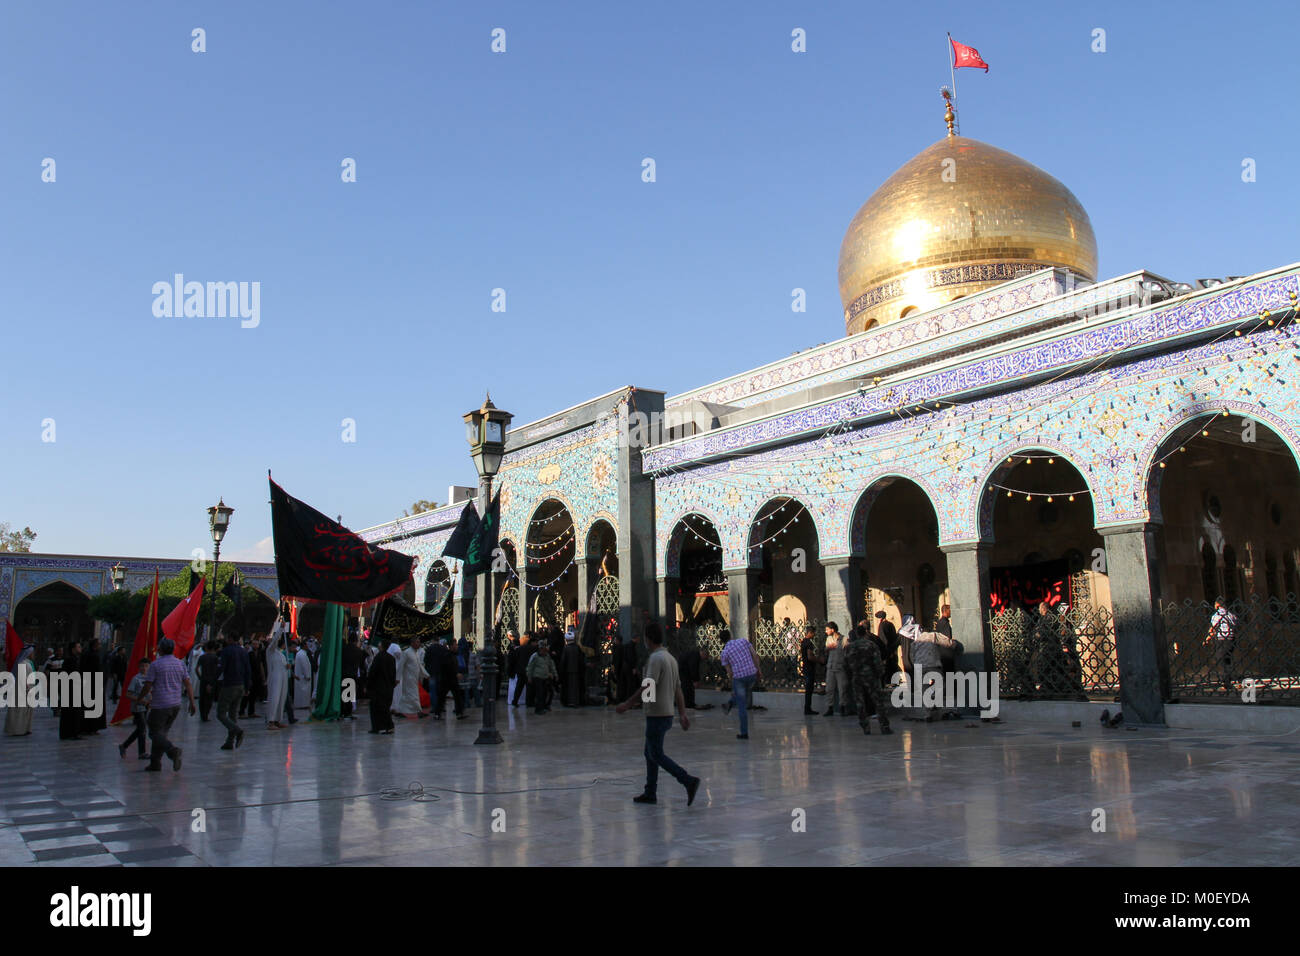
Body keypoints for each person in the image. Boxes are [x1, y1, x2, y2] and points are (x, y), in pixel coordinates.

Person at [615, 623, 700, 806]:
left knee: (656, 754)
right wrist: (682, 713)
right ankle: (650, 792)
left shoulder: (655, 659)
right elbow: (678, 689)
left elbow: (648, 685)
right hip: (666, 712)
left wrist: (629, 703)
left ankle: (687, 780)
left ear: (648, 639)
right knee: (650, 753)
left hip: (657, 714)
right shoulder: (670, 658)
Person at [140, 638, 196, 771]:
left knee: (154, 733)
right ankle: (155, 763)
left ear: (161, 649)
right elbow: (188, 683)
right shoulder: (179, 664)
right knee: (161, 733)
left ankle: (172, 751)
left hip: (160, 705)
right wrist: (192, 702)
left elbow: (148, 685)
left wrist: (140, 697)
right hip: (175, 704)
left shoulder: (156, 665)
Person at [900, 615, 958, 721]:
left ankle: (928, 713)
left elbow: (912, 656)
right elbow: (948, 642)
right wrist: (954, 644)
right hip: (933, 664)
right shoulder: (933, 636)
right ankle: (934, 698)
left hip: (920, 667)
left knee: (924, 688)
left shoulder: (915, 642)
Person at [844, 623, 892, 735]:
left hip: (857, 677)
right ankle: (884, 726)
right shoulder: (870, 645)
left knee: (860, 703)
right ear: (865, 633)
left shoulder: (850, 647)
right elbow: (877, 661)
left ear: (856, 634)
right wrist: (880, 674)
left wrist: (850, 676)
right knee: (878, 701)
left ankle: (865, 727)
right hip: (871, 677)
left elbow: (845, 664)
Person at [719, 628, 759, 739]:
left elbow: (730, 673)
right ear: (731, 636)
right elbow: (755, 655)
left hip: (739, 678)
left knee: (742, 706)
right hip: (751, 674)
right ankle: (730, 703)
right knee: (742, 695)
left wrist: (733, 688)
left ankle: (744, 733)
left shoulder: (724, 653)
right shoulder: (743, 641)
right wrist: (758, 669)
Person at [216, 634, 250, 750]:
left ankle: (237, 731)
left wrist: (212, 681)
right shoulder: (244, 652)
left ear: (230, 639)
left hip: (229, 685)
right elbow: (247, 669)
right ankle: (229, 741)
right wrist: (247, 686)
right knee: (233, 714)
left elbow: (221, 667)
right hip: (240, 685)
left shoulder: (226, 651)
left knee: (221, 714)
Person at [118, 659, 150, 758]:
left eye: (146, 666)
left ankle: (124, 745)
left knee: (140, 729)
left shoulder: (149, 678)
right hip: (137, 707)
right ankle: (142, 752)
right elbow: (128, 694)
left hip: (145, 707)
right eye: (142, 666)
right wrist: (139, 700)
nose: (144, 668)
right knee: (142, 729)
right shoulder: (135, 679)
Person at [1205, 597, 1238, 691]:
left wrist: (1208, 638)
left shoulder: (1216, 615)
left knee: (1221, 660)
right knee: (1228, 659)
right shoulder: (1230, 614)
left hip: (1221, 639)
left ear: (1218, 605)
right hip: (1231, 638)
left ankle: (1226, 682)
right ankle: (1229, 679)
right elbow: (1236, 624)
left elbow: (1213, 628)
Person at [4, 641, 35, 736]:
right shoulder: (23, 664)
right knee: (19, 712)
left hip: (26, 691)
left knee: (24, 712)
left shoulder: (27, 663)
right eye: (32, 652)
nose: (33, 654)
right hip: (22, 692)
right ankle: (18, 730)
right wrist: (28, 689)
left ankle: (24, 728)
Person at [265, 620, 290, 729]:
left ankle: (278, 720)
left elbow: (284, 666)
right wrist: (280, 629)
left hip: (283, 678)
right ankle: (271, 721)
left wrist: (287, 667)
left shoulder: (281, 654)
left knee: (281, 699)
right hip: (275, 679)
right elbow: (274, 641)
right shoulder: (270, 651)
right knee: (274, 698)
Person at [367, 640, 397, 734]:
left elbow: (373, 673)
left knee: (377, 708)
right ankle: (384, 727)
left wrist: (368, 685)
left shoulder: (378, 657)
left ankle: (381, 727)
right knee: (385, 708)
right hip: (388, 687)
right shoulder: (391, 658)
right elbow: (393, 674)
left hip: (378, 688)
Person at [395, 637, 427, 717]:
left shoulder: (416, 653)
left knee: (406, 696)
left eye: (419, 642)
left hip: (414, 678)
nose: (418, 644)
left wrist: (426, 675)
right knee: (413, 695)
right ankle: (419, 711)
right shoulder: (406, 653)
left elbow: (419, 666)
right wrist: (397, 678)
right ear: (412, 643)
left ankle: (400, 711)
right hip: (408, 678)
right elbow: (401, 666)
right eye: (417, 642)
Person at [822, 624, 849, 716]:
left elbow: (847, 651)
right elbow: (826, 649)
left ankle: (843, 707)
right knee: (829, 688)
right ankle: (830, 707)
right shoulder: (829, 639)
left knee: (842, 688)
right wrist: (828, 648)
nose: (826, 631)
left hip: (840, 666)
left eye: (827, 629)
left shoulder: (844, 639)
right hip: (831, 666)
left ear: (833, 630)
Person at [59, 640, 84, 740]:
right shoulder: (70, 660)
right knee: (70, 712)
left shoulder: (75, 659)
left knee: (73, 712)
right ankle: (70, 733)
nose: (80, 648)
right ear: (73, 649)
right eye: (78, 647)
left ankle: (71, 732)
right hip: (70, 690)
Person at [526, 641, 558, 714]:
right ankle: (538, 709)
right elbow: (530, 667)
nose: (543, 650)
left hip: (545, 677)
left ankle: (544, 706)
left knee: (545, 693)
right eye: (542, 649)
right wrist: (529, 677)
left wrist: (555, 674)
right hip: (537, 677)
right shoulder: (535, 656)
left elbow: (551, 665)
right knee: (539, 694)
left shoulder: (547, 656)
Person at [510, 633, 537, 708]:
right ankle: (529, 702)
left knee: (519, 686)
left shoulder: (520, 648)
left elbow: (516, 659)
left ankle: (515, 701)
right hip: (529, 670)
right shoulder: (534, 649)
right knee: (529, 687)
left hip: (520, 670)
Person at [340, 633, 363, 720]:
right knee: (349, 695)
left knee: (343, 694)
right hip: (352, 674)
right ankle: (348, 713)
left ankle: (343, 711)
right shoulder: (357, 651)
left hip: (343, 673)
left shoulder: (343, 649)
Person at [560, 629, 584, 707]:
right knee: (575, 687)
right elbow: (581, 660)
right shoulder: (577, 648)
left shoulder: (566, 648)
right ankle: (576, 701)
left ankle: (569, 701)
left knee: (569, 687)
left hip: (568, 670)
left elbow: (563, 661)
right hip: (577, 670)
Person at [799, 625, 821, 715]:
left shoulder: (803, 642)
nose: (814, 635)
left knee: (808, 689)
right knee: (809, 689)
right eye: (814, 633)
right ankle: (808, 708)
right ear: (810, 633)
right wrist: (819, 660)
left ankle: (807, 708)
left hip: (805, 667)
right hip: (809, 668)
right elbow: (810, 656)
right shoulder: (808, 643)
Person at [196, 642, 220, 721]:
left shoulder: (202, 657)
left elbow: (196, 669)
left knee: (202, 698)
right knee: (209, 699)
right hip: (211, 680)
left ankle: (202, 715)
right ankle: (206, 714)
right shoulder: (215, 658)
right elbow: (217, 670)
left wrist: (200, 677)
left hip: (203, 679)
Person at [293, 639, 314, 714]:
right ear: (304, 646)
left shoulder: (301, 653)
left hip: (301, 676)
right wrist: (307, 675)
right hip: (303, 677)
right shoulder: (302, 654)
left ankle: (302, 704)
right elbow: (304, 666)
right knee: (303, 692)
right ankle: (303, 705)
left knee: (302, 692)